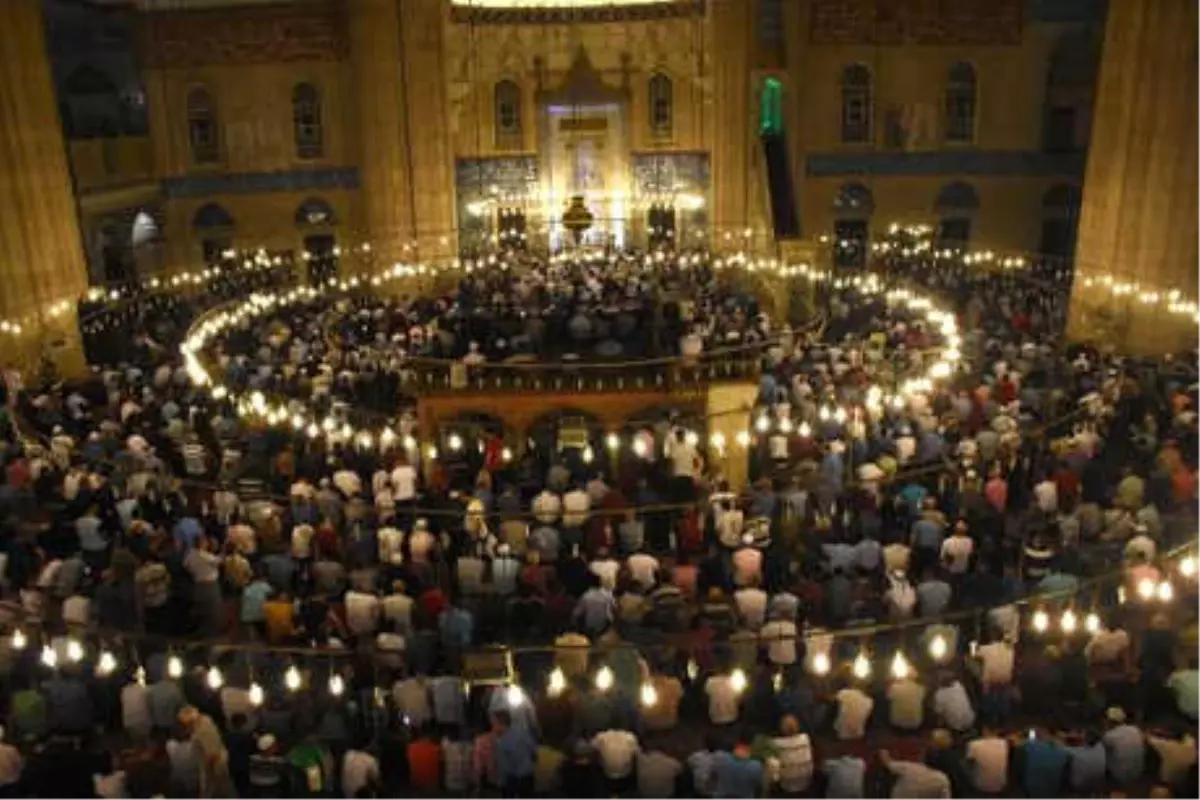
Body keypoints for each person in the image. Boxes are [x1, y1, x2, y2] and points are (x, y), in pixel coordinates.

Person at [494, 709, 537, 799]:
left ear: (500, 724)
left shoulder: (503, 742)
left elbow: (504, 767)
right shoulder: (523, 732)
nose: (493, 727)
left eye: (494, 724)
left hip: (512, 779)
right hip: (528, 777)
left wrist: (500, 783)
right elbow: (534, 750)